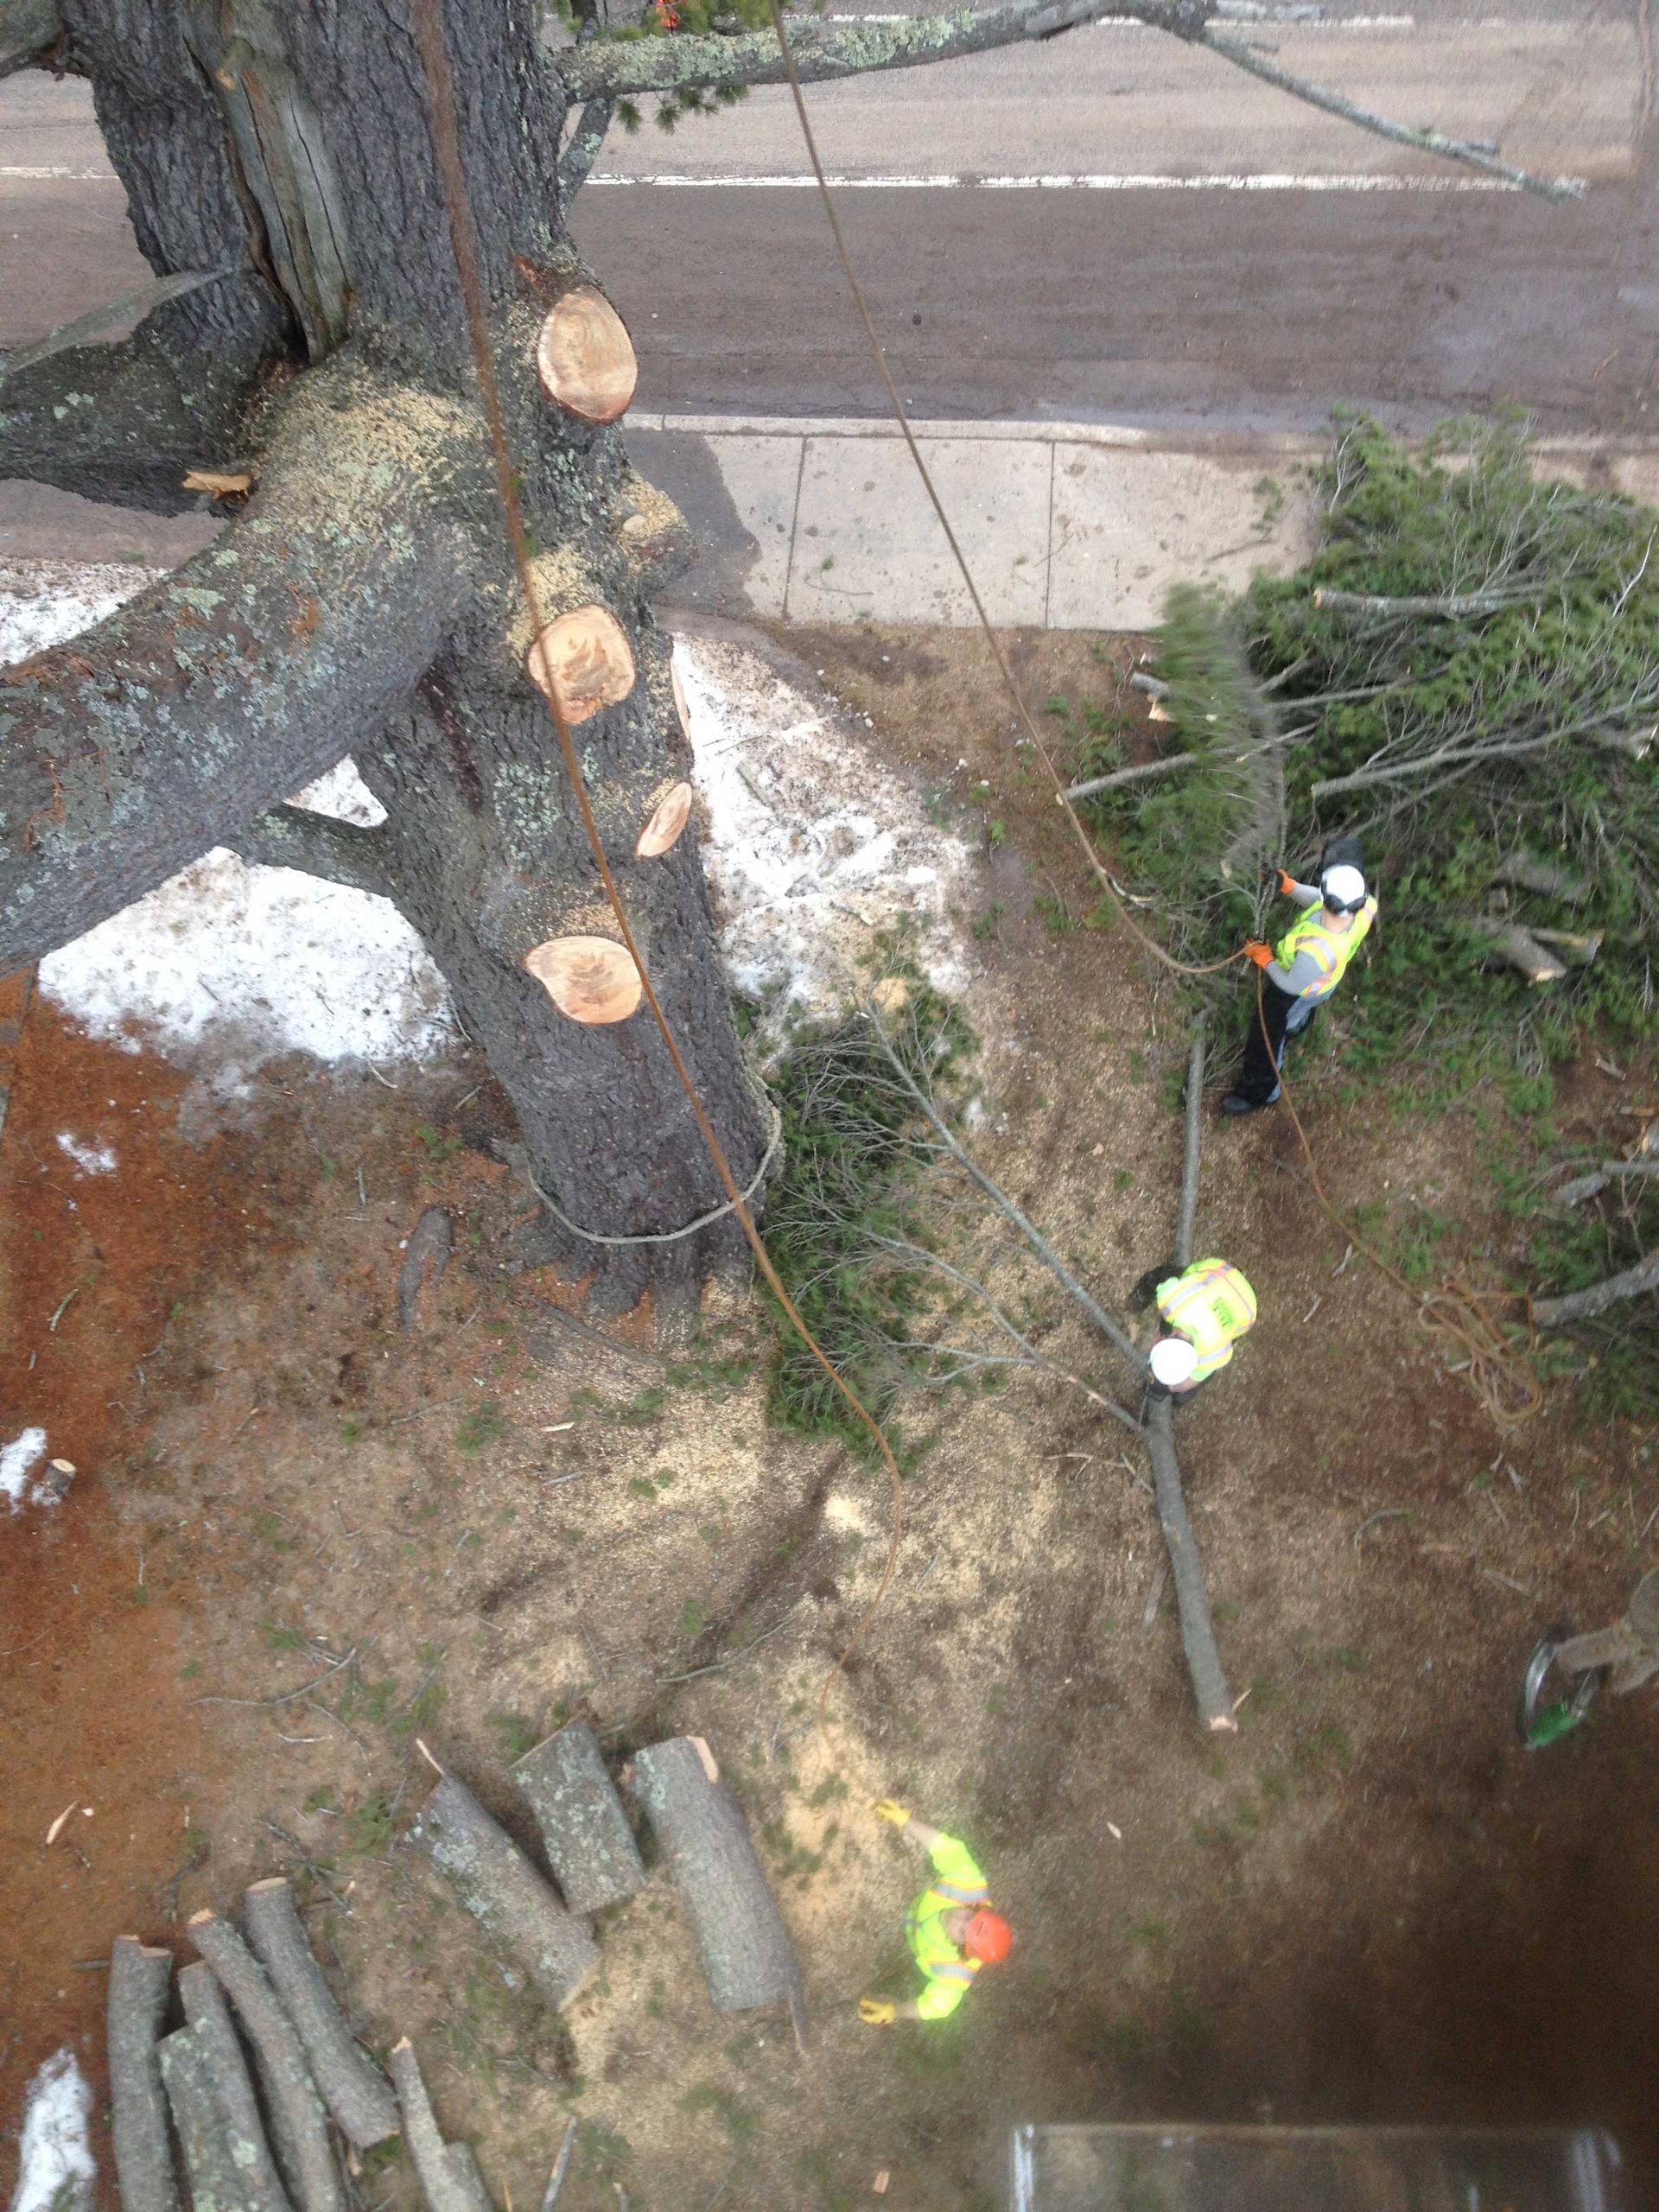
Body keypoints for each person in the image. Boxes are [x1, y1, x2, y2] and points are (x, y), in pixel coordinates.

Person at [1222, 858, 1378, 1116]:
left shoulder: (1316, 952)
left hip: (1297, 990)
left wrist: (1265, 959)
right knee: (1298, 1013)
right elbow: (1318, 900)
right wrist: (1289, 886)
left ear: (1331, 901)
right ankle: (1297, 1024)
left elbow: (1290, 984)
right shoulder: (1363, 907)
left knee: (1266, 1034)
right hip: (1323, 985)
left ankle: (1261, 1092)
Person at [857, 1800, 1012, 2024]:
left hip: (914, 1940)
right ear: (977, 1909)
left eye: (961, 1932)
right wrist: (905, 1820)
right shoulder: (969, 1883)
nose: (957, 1919)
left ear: (962, 1950)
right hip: (918, 1906)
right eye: (968, 1917)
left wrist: (892, 2011)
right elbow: (944, 1847)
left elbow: (930, 2008)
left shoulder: (954, 1978)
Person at [1147, 1256, 1257, 1395]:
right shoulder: (1170, 1300)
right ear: (1161, 1340)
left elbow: (1184, 1385)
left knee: (1229, 1333)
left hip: (1248, 1305)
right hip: (1223, 1274)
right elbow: (1168, 1284)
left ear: (1160, 1339)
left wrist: (1171, 1388)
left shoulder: (1212, 1356)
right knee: (1184, 1278)